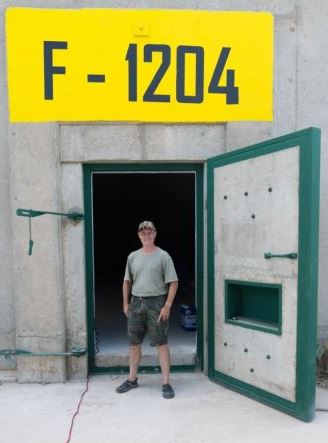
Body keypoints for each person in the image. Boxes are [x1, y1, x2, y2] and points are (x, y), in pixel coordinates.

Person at [116, 220, 179, 399]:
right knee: (134, 343)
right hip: (137, 303)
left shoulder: (163, 256)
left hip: (157, 303)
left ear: (155, 234)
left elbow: (173, 282)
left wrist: (167, 306)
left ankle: (166, 382)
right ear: (139, 235)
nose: (147, 235)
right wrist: (125, 304)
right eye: (143, 233)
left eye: (149, 232)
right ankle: (132, 379)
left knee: (161, 343)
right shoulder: (132, 257)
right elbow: (126, 281)